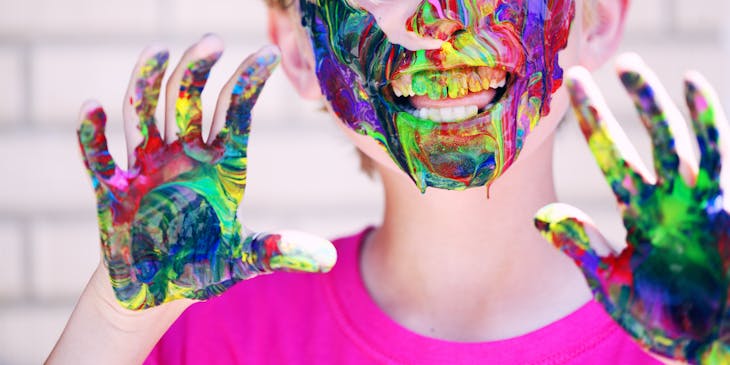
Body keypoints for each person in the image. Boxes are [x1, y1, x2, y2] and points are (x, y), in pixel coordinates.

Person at [47, 0, 730, 364]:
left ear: (600, 15)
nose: (440, 19)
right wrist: (113, 323)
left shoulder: (690, 333)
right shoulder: (212, 337)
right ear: (300, 44)